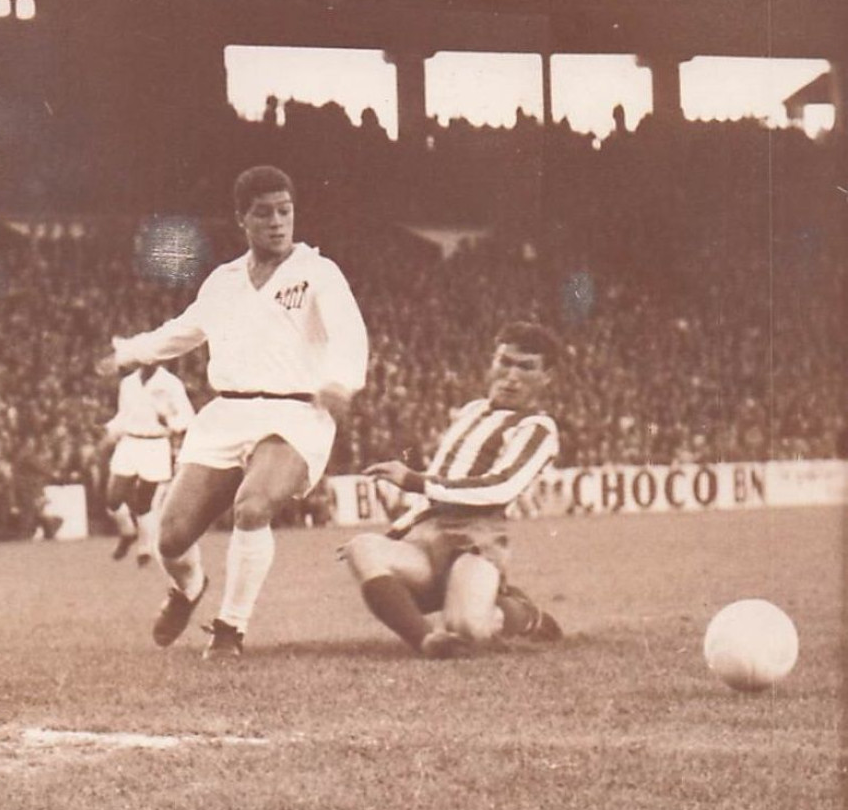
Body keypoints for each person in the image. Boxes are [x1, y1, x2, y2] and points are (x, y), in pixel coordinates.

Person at [98, 166, 368, 659]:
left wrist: (341, 381)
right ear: (241, 219)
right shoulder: (223, 281)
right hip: (227, 415)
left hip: (295, 414)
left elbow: (349, 334)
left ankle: (230, 629)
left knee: (252, 506)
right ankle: (188, 588)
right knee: (170, 538)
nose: (277, 222)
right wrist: (130, 352)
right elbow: (183, 331)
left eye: (285, 211)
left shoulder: (317, 273)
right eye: (263, 213)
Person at [343, 321, 565, 658]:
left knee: (468, 631)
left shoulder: (537, 428)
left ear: (547, 377)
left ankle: (522, 614)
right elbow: (442, 478)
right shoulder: (471, 411)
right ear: (492, 363)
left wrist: (415, 481)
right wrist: (402, 527)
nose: (512, 375)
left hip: (473, 540)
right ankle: (427, 641)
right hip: (425, 537)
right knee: (363, 548)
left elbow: (500, 486)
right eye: (505, 362)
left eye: (526, 367)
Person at [103, 362, 194, 566]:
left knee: (144, 501)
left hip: (155, 445)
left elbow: (187, 416)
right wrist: (112, 431)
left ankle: (145, 548)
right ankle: (127, 531)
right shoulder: (128, 383)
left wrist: (170, 422)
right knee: (113, 498)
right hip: (130, 442)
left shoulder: (170, 383)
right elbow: (123, 414)